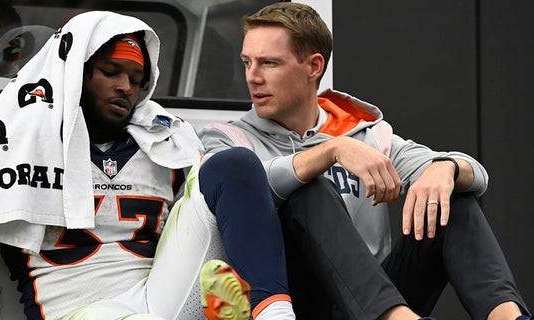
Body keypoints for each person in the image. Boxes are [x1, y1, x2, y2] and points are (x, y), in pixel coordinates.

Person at [0, 11, 295, 320]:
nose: (126, 87)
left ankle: (273, 312)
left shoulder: (163, 143)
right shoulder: (9, 140)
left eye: (137, 81)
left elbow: (239, 204)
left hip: (159, 297)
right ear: (75, 72)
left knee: (233, 164)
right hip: (77, 309)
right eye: (111, 72)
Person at [198, 3, 532, 320]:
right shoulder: (226, 140)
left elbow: (478, 176)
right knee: (309, 190)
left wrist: (445, 168)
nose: (252, 77)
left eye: (269, 63)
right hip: (298, 305)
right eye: (246, 62)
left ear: (314, 66)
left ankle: (507, 315)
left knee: (452, 194)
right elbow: (244, 188)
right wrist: (330, 152)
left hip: (373, 298)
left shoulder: (367, 135)